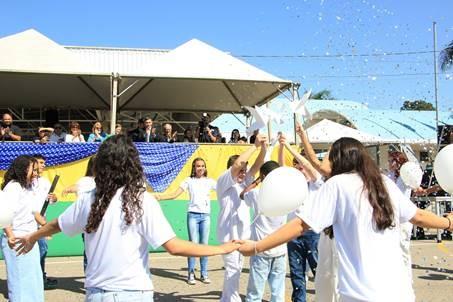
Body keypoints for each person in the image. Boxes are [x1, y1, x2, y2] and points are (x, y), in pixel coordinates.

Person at [15, 135, 240, 301]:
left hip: (98, 295)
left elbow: (57, 225)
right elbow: (174, 246)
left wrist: (32, 236)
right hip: (135, 293)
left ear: (101, 165)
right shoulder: (142, 200)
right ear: (133, 164)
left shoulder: (89, 199)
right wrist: (221, 248)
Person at [238, 137, 453, 302]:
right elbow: (419, 217)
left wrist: (256, 246)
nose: (325, 160)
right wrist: (449, 223)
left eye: (328, 155)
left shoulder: (338, 185)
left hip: (361, 294)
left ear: (339, 159)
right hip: (400, 292)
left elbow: (300, 225)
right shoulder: (383, 183)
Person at [216, 134, 267, 302]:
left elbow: (258, 164)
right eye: (240, 170)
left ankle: (226, 298)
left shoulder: (245, 182)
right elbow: (238, 164)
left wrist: (264, 147)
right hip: (228, 236)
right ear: (231, 169)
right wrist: (254, 146)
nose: (243, 172)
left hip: (243, 235)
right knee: (233, 270)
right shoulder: (224, 181)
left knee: (236, 270)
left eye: (245, 171)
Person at [278, 135, 326, 302]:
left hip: (312, 233)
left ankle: (324, 298)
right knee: (297, 274)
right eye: (296, 166)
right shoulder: (292, 184)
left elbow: (307, 165)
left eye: (301, 166)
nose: (299, 168)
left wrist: (292, 149)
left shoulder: (316, 183)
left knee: (318, 272)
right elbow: (281, 170)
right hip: (293, 234)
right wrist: (282, 147)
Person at [155, 157, 217, 284]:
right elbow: (174, 194)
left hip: (205, 216)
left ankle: (204, 274)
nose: (200, 168)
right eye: (198, 166)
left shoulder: (210, 182)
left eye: (202, 166)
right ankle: (191, 274)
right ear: (194, 168)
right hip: (193, 216)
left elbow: (223, 189)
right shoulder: (188, 181)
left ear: (205, 168)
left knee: (204, 244)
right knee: (192, 245)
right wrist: (159, 197)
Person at [239, 161, 287, 302]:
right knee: (278, 291)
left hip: (260, 249)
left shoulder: (256, 193)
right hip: (280, 249)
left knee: (255, 292)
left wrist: (257, 181)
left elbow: (242, 194)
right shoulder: (285, 194)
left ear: (264, 176)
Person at [1, 155, 43, 302]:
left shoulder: (28, 188)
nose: (36, 174)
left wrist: (44, 228)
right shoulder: (13, 187)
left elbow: (33, 212)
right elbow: (3, 213)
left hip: (30, 239)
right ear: (23, 169)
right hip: (17, 240)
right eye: (34, 170)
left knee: (33, 281)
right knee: (20, 282)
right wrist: (10, 235)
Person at [62, 156, 96, 272]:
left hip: (97, 221)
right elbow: (76, 187)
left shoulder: (105, 180)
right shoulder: (86, 180)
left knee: (93, 249)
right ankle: (90, 274)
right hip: (90, 221)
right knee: (90, 249)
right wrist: (68, 189)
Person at [32, 154, 59, 290]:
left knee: (42, 249)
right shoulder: (27, 181)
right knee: (39, 250)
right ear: (33, 163)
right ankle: (35, 279)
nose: (43, 165)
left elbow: (52, 200)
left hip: (41, 221)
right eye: (41, 162)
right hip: (28, 223)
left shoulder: (45, 182)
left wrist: (54, 198)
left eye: (44, 163)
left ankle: (40, 278)